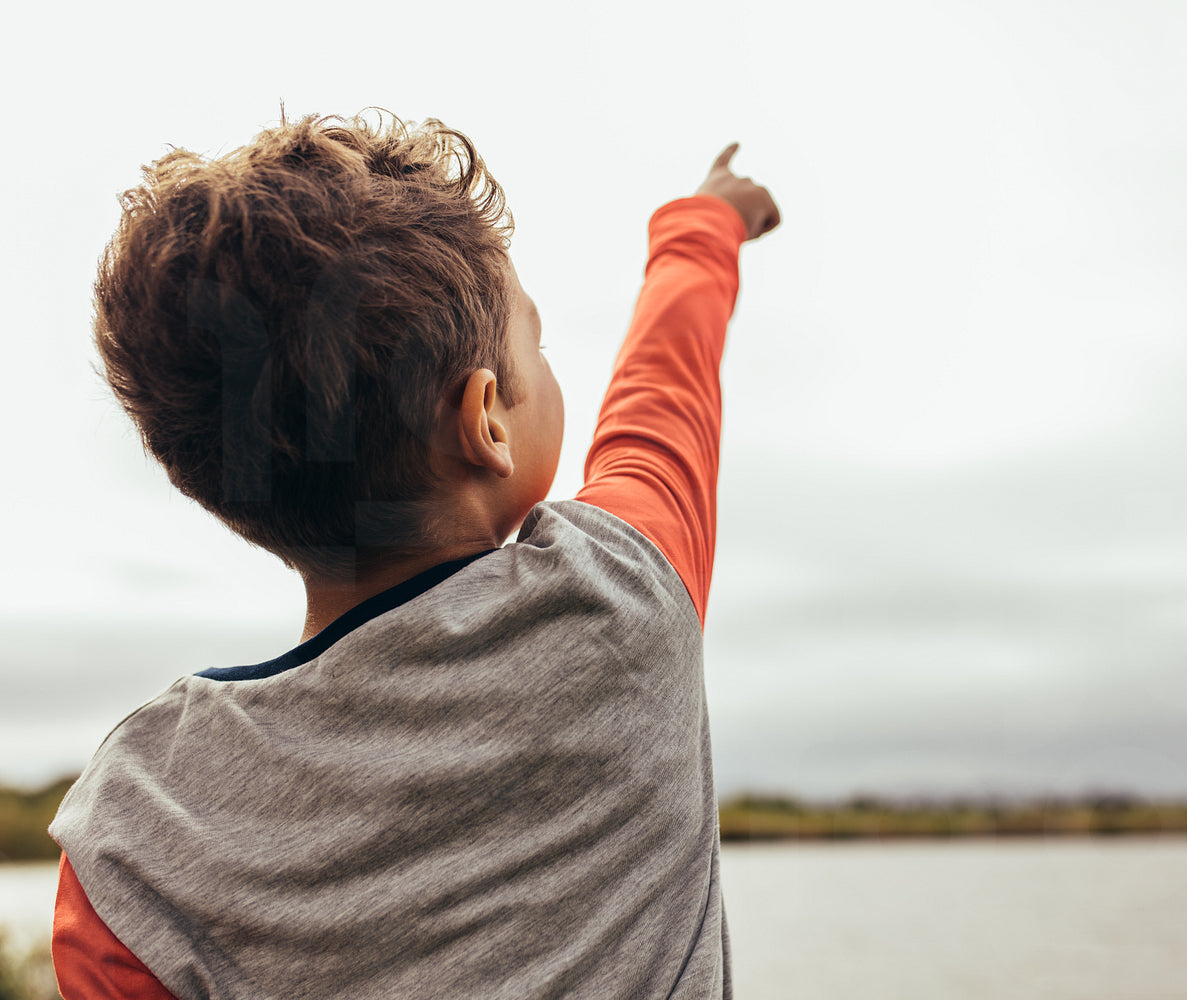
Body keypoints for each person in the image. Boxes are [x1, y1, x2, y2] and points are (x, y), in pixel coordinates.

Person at [47, 110, 780, 1000]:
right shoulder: (621, 596)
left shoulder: (138, 828)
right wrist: (706, 224)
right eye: (537, 343)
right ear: (486, 420)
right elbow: (662, 397)